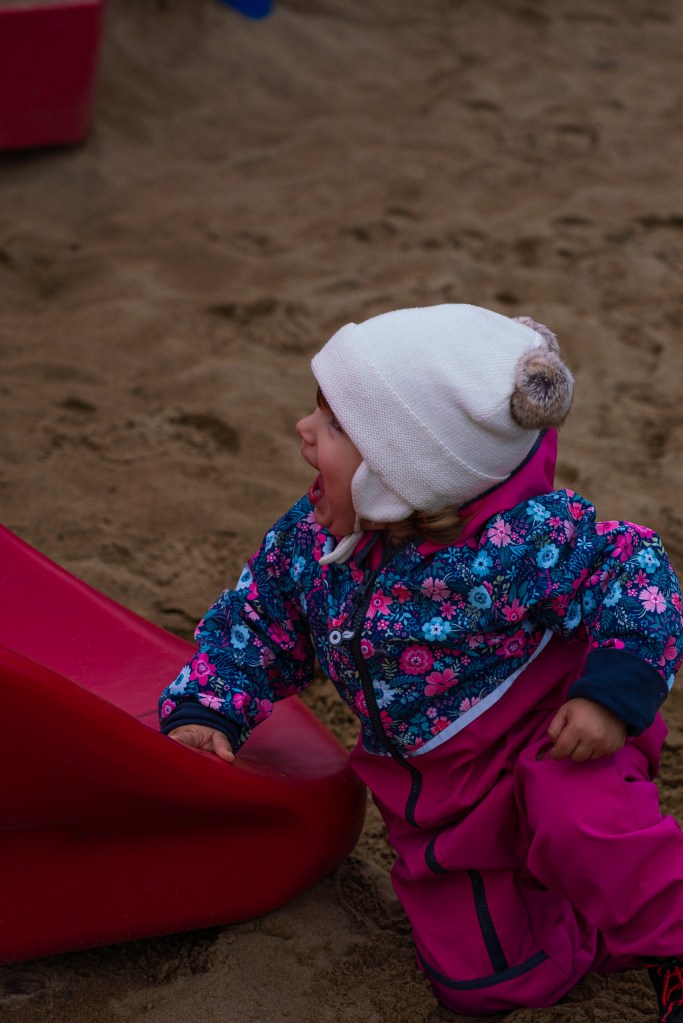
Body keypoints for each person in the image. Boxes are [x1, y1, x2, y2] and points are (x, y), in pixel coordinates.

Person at [158, 304, 683, 1018]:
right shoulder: (310, 545)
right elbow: (259, 623)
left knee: (579, 822)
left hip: (554, 737)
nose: (304, 431)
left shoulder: (512, 541)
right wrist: (209, 707)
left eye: (338, 425)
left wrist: (609, 695)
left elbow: (632, 565)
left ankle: (671, 942)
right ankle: (586, 927)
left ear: (404, 472)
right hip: (437, 792)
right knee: (482, 985)